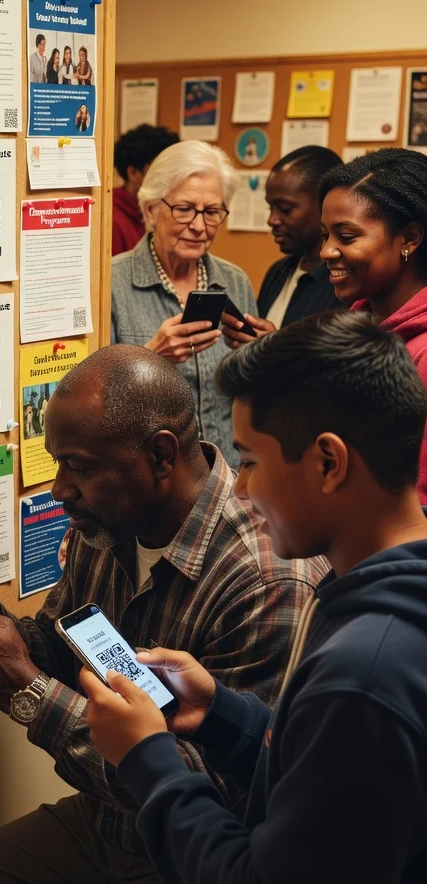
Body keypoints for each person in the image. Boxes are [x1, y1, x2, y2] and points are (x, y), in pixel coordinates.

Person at [0, 345, 323, 884]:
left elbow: (212, 789)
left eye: (78, 466)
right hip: (107, 823)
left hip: (196, 854)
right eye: (58, 464)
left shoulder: (267, 580)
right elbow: (64, 648)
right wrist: (0, 627)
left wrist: (24, 687)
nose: (59, 490)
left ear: (160, 455)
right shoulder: (107, 524)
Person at [82, 312, 427, 884]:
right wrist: (222, 714)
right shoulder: (374, 595)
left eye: (249, 462)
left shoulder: (363, 673)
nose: (240, 489)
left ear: (327, 462)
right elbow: (322, 779)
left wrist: (148, 758)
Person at [110, 140, 256, 466]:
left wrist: (264, 352)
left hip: (230, 480)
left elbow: (252, 397)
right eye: (184, 209)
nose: (199, 226)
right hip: (152, 486)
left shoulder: (235, 282)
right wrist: (150, 358)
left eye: (212, 212)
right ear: (150, 210)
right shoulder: (112, 284)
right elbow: (92, 406)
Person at [319, 148, 427, 501]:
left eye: (346, 237)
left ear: (409, 238)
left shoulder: (422, 355)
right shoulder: (351, 330)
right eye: (324, 235)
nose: (327, 251)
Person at [221, 145, 344, 348]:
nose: (272, 220)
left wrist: (276, 348)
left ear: (325, 205)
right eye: (271, 207)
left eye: (286, 209)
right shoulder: (279, 272)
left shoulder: (344, 283)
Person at [112, 124, 180, 256]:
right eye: (161, 171)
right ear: (133, 173)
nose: (172, 178)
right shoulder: (112, 219)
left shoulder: (161, 209)